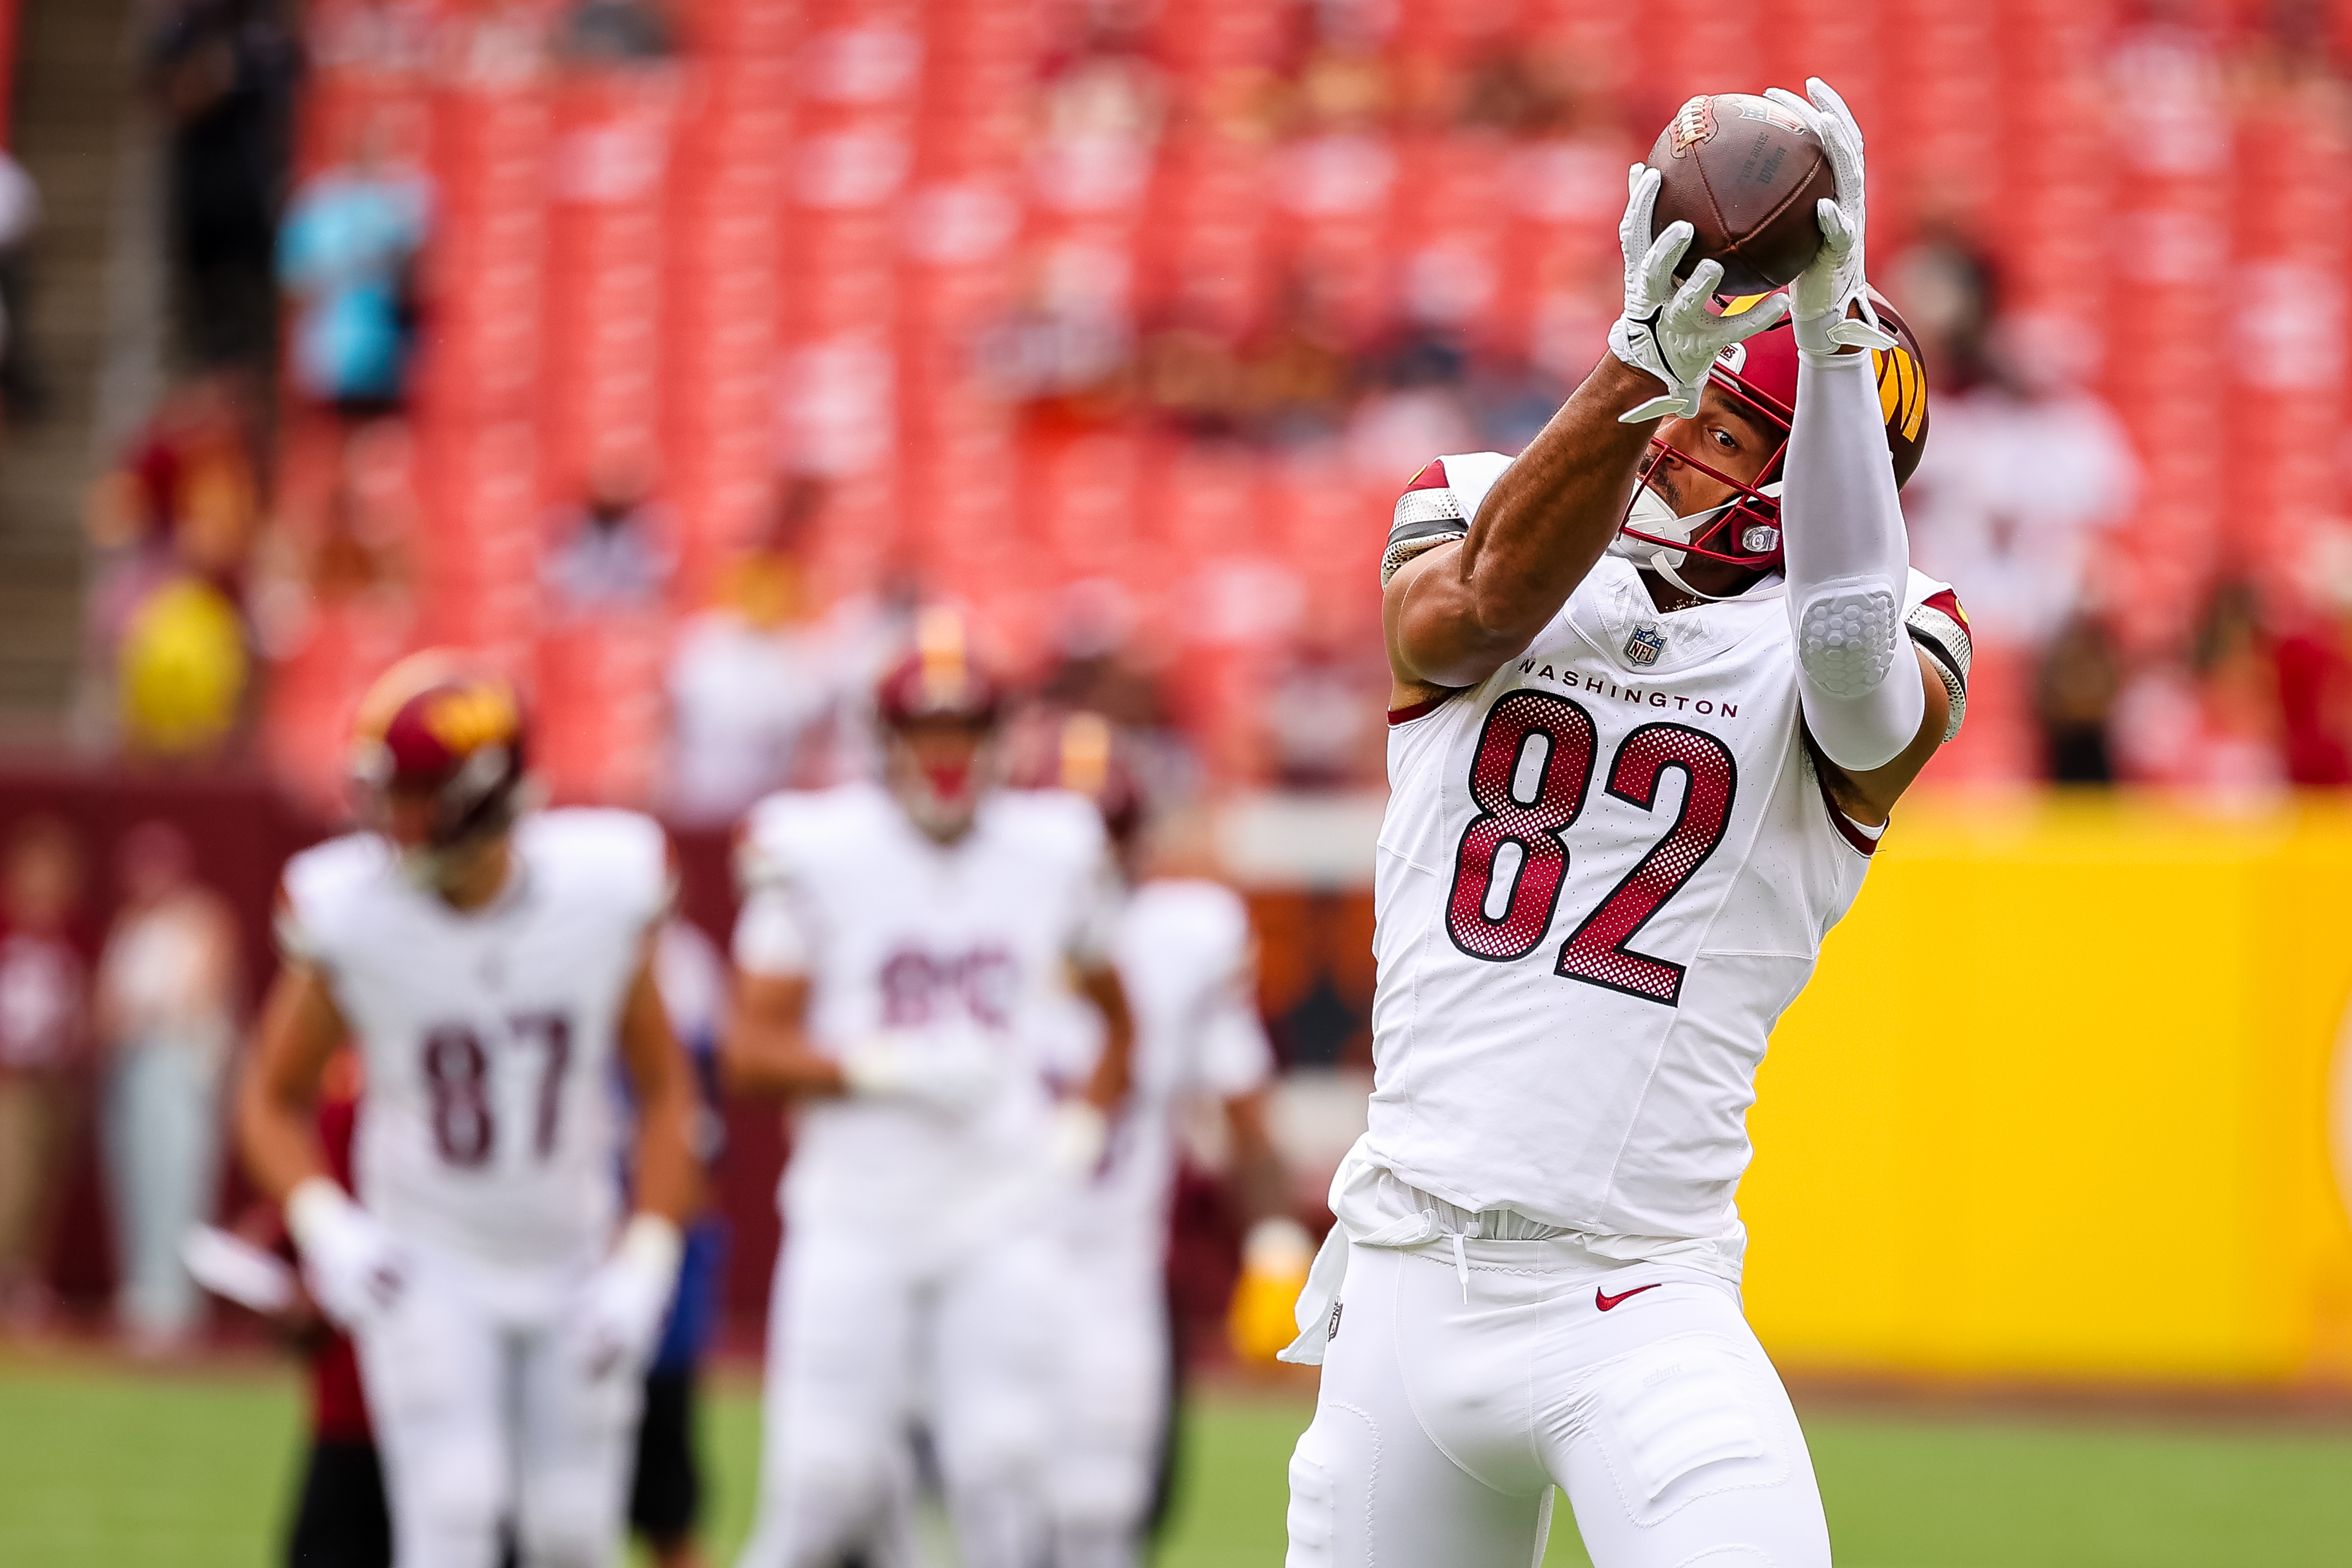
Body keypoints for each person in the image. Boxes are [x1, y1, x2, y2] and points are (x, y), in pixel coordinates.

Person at [1280, 81, 1973, 1568]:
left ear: (1808, 483)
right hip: (1404, 1275)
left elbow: (1853, 678)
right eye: (1690, 406)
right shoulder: (1486, 504)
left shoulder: (1884, 636)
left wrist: (1836, 352)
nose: (1676, 447)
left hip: (1635, 1294)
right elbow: (1458, 622)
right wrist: (1631, 372)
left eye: (1728, 429)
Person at [235, 651, 701, 1568]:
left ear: (481, 798)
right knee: (453, 1516)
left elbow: (667, 1086)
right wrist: (328, 1224)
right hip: (432, 1259)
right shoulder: (352, 912)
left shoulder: (602, 890)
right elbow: (269, 1095)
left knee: (575, 1534)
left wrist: (646, 1254)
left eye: (411, 796)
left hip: (571, 1254)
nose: (388, 821)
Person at [725, 608, 1136, 1568]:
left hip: (1000, 1210)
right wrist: (883, 1066)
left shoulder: (1058, 846)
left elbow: (1122, 1021)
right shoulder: (816, 846)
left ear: (1001, 743)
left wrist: (1076, 1129)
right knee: (822, 1484)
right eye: (925, 734)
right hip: (856, 1210)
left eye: (964, 734)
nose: (945, 759)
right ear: (884, 742)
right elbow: (750, 1051)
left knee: (1004, 1473)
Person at [1023, 711, 1292, 1568]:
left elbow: (1241, 1100)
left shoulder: (1187, 935)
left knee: (1112, 1513)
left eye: (1106, 829)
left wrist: (1277, 1242)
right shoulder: (987, 925)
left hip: (1117, 1261)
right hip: (993, 1257)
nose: (1088, 855)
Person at [96, 818, 240, 1351]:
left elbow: (202, 994)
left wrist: (149, 1015)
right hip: (130, 1066)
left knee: (178, 1181)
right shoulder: (129, 927)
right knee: (136, 1179)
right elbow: (107, 1005)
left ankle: (178, 1302)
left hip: (180, 1065)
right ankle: (144, 1293)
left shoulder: (204, 919)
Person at [0, 817, 87, 1327]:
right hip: (10, 1076)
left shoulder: (74, 934)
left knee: (46, 1187)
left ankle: (25, 1281)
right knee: (11, 1181)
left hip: (56, 1077)